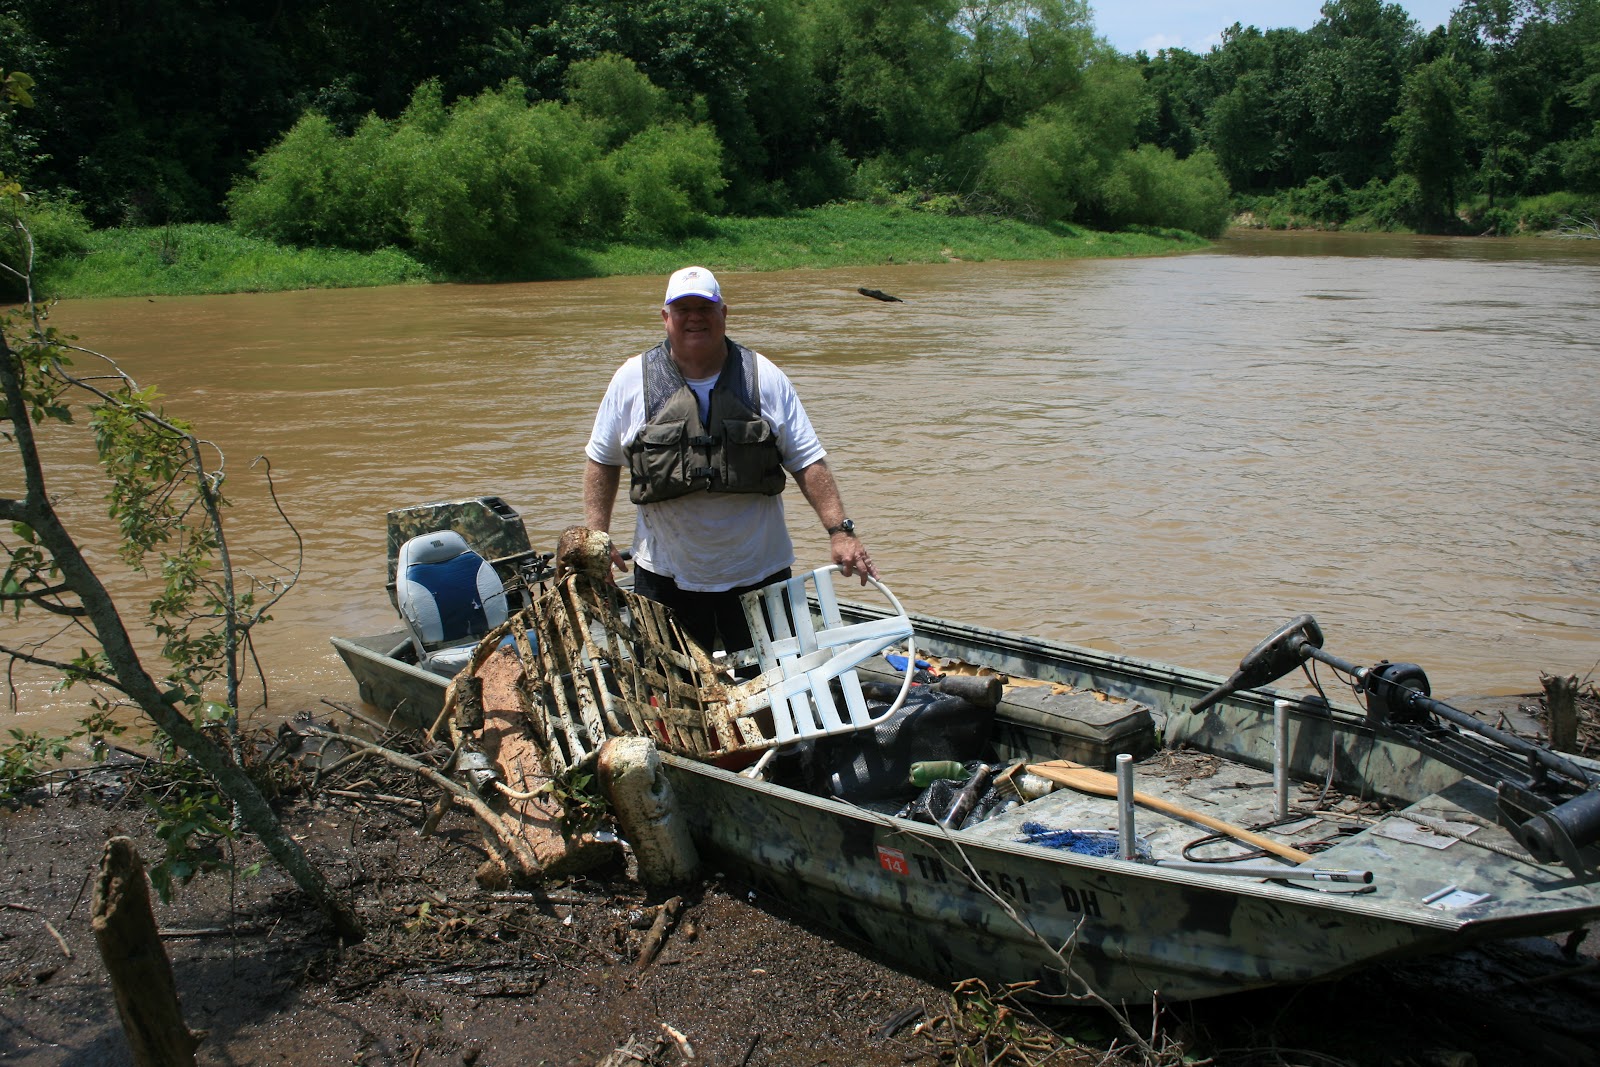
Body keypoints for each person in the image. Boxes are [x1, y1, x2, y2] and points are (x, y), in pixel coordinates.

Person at [583, 265, 875, 658]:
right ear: (665, 317)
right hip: (665, 576)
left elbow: (807, 460)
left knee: (775, 689)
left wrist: (841, 532)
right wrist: (597, 540)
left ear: (724, 313)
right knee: (676, 695)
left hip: (759, 574)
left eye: (705, 307)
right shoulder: (631, 380)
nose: (694, 318)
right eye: (682, 308)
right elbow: (601, 461)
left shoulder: (763, 378)